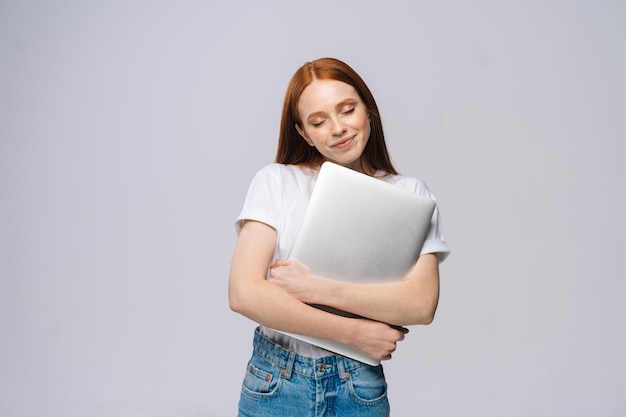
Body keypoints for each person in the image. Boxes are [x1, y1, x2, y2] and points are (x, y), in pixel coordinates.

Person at [228, 57, 450, 417]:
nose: (337, 128)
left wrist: (313, 288)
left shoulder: (411, 194)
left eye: (347, 110)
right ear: (303, 132)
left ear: (368, 111)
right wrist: (351, 333)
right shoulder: (277, 181)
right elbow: (244, 293)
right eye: (318, 121)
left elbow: (421, 304)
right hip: (277, 381)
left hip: (358, 385)